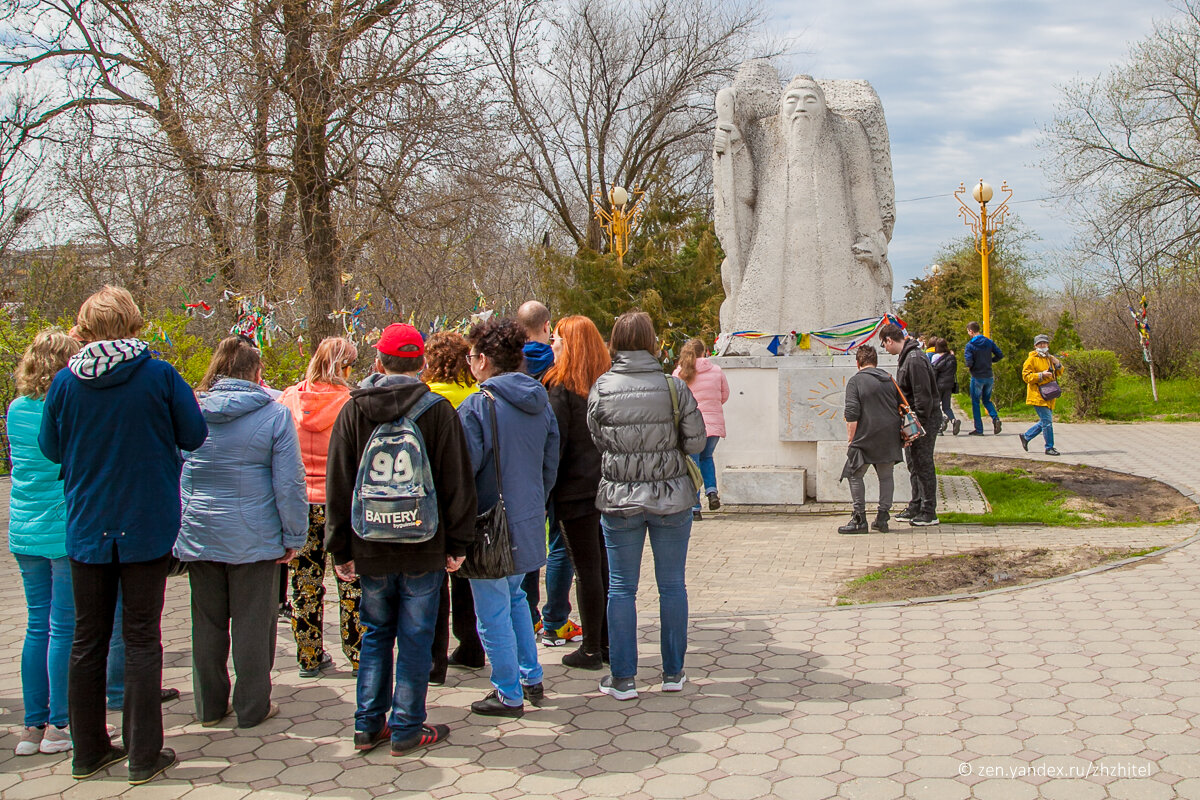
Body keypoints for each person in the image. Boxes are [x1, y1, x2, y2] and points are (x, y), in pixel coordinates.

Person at [39, 286, 207, 784]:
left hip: (88, 523)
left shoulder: (66, 382)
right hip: (146, 522)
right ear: (134, 323)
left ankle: (88, 750)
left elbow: (50, 447)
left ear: (86, 328)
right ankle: (142, 753)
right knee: (141, 638)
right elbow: (194, 434)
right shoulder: (159, 375)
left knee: (87, 639)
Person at [325, 324, 478, 756]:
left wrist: (340, 546)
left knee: (374, 632)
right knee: (416, 635)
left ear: (378, 362)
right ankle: (407, 725)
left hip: (369, 540)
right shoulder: (437, 411)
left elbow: (339, 482)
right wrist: (458, 544)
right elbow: (457, 482)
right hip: (423, 543)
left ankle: (366, 725)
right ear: (422, 364)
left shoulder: (353, 410)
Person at [175, 337, 308, 727]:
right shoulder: (274, 415)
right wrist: (294, 535)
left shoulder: (191, 411)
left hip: (200, 532)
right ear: (256, 372)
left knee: (207, 624)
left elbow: (179, 469)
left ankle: (210, 707)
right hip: (255, 535)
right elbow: (289, 483)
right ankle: (252, 707)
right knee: (254, 624)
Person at [587, 311, 706, 701]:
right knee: (672, 585)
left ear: (616, 342)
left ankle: (623, 678)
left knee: (621, 588)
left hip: (619, 498)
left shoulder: (602, 387)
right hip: (671, 497)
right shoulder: (674, 387)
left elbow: (598, 440)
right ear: (653, 341)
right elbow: (696, 442)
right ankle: (673, 672)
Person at [458, 317, 560, 718]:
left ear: (483, 360)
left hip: (489, 525)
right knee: (516, 597)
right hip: (528, 516)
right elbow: (550, 462)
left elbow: (464, 472)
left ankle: (507, 691)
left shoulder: (477, 406)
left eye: (471, 356)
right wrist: (535, 501)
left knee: (492, 610)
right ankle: (530, 675)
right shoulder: (539, 401)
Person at [10, 330, 82, 755]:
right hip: (62, 526)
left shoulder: (16, 407)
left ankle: (31, 726)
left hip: (24, 530)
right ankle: (60, 724)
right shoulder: (65, 407)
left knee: (37, 626)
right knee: (63, 628)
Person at [279, 337, 364, 678]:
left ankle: (309, 655)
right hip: (340, 500)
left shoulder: (288, 398)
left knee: (305, 582)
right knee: (351, 579)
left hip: (300, 501)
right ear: (344, 367)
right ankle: (358, 653)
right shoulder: (351, 404)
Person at [543, 315, 611, 669]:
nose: (551, 344)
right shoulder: (606, 385)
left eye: (556, 338)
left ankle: (592, 649)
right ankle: (607, 643)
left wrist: (544, 493)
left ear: (570, 345)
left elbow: (554, 446)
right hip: (608, 488)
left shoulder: (561, 388)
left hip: (574, 493)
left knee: (587, 571)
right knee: (603, 569)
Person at [421, 331, 484, 683]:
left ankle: (435, 658)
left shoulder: (425, 399)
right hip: (468, 495)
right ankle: (471, 643)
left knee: (433, 581)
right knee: (464, 575)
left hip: (430, 498)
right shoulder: (476, 395)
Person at [516, 300, 580, 648]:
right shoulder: (560, 367)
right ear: (546, 327)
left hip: (521, 467)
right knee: (559, 542)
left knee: (526, 542)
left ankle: (527, 617)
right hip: (559, 462)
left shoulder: (508, 364)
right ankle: (556, 619)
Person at [879, 323, 942, 527]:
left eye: (883, 344)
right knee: (914, 463)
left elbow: (922, 396)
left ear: (889, 340)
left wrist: (917, 426)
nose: (884, 348)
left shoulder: (914, 359)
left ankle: (929, 511)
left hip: (923, 420)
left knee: (923, 463)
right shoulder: (908, 356)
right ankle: (916, 505)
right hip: (914, 419)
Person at [837, 345, 903, 534]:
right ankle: (882, 518)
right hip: (890, 436)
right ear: (876, 362)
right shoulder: (889, 379)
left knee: (854, 474)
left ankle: (859, 519)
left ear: (858, 362)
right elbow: (901, 406)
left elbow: (852, 413)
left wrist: (851, 439)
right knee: (886, 476)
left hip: (865, 437)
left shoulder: (855, 381)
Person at [672, 338, 729, 519]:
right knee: (707, 457)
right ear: (704, 352)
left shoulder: (679, 373)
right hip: (713, 424)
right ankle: (711, 492)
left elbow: (674, 400)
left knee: (693, 464)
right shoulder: (716, 370)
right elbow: (724, 395)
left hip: (690, 426)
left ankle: (695, 507)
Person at [1019, 334, 1065, 457]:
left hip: (1049, 394)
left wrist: (1058, 364)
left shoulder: (1049, 358)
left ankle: (1026, 436)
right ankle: (1049, 447)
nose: (1042, 345)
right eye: (1040, 344)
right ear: (1035, 346)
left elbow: (1059, 373)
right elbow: (1026, 376)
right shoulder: (1031, 359)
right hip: (1038, 394)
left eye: (1044, 343)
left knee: (1045, 421)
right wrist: (1041, 375)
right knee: (1047, 422)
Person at [963, 321, 1003, 436]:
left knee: (975, 402)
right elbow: (999, 354)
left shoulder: (970, 345)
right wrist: (991, 361)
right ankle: (995, 418)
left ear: (971, 331)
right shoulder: (988, 342)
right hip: (989, 375)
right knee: (986, 400)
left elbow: (969, 362)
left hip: (977, 376)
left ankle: (979, 429)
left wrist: (970, 366)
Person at [930, 337, 960, 436]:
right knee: (947, 407)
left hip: (938, 385)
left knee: (936, 406)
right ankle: (953, 420)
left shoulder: (935, 357)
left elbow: (933, 370)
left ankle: (940, 427)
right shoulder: (951, 357)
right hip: (949, 385)